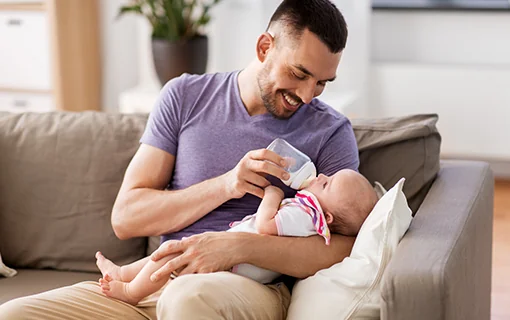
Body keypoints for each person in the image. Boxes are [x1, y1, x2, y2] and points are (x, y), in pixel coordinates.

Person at [0, 1, 360, 319]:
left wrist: (238, 246)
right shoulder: (185, 96)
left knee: (186, 300)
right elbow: (126, 218)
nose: (307, 95)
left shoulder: (330, 131)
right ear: (265, 47)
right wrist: (226, 185)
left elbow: (344, 247)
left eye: (322, 83)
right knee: (15, 314)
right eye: (299, 74)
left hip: (244, 287)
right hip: (154, 279)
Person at [94, 169, 378, 305]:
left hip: (234, 270)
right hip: (229, 264)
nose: (320, 176)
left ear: (327, 217)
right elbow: (124, 218)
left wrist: (273, 193)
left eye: (326, 183)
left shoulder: (306, 215)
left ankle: (131, 292)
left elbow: (266, 225)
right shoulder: (311, 217)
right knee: (168, 255)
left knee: (169, 253)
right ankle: (122, 274)